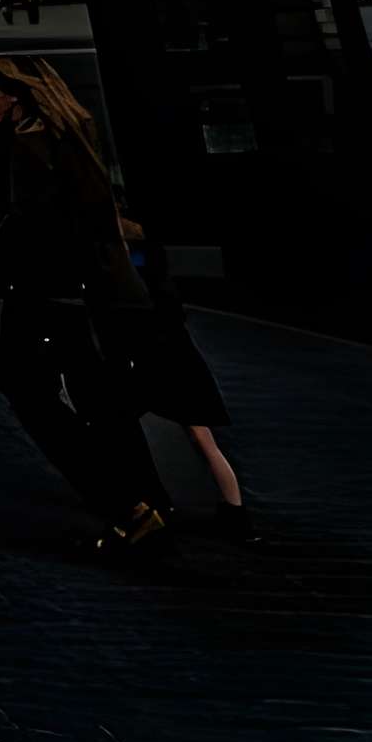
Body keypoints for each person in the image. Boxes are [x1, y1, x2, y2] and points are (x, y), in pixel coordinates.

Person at [0, 55, 171, 557]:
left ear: (15, 94)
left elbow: (29, 221)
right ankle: (148, 501)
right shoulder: (71, 136)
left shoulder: (29, 144)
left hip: (42, 293)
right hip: (85, 292)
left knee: (22, 385)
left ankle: (127, 505)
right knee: (99, 397)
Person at [122, 212, 249, 537]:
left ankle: (149, 500)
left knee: (121, 423)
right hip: (180, 361)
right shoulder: (155, 268)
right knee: (203, 441)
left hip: (163, 362)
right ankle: (235, 514)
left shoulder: (136, 270)